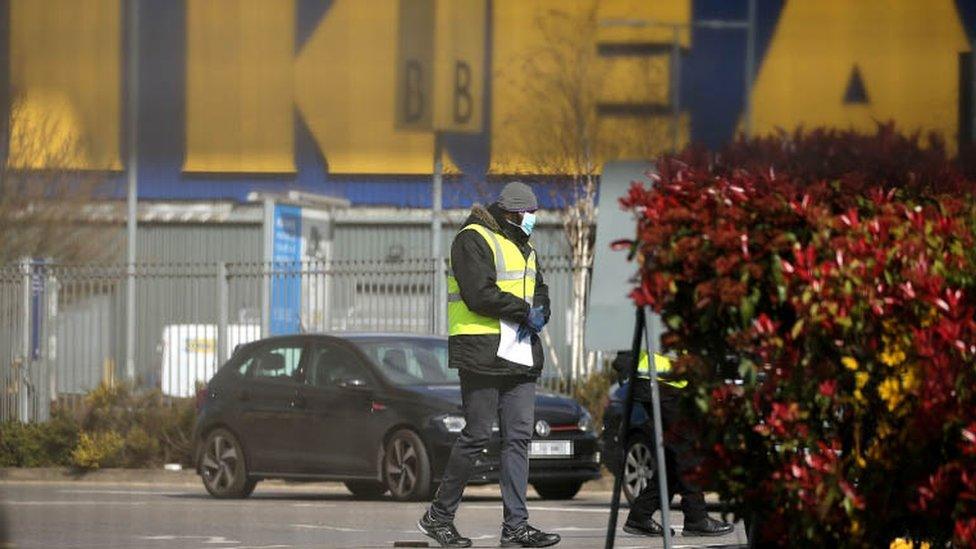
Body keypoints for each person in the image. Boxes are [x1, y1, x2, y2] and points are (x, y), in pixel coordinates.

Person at [417, 182, 561, 548]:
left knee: (518, 438)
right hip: (481, 352)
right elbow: (478, 294)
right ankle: (439, 516)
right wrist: (524, 311)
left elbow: (538, 287)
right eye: (528, 214)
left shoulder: (524, 246)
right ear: (512, 213)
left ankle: (516, 527)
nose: (533, 220)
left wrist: (541, 309)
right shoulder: (472, 239)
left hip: (520, 353)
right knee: (477, 434)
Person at [614, 350, 734, 538]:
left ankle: (640, 516)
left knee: (672, 457)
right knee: (688, 449)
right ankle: (696, 518)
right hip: (661, 384)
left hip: (664, 383)